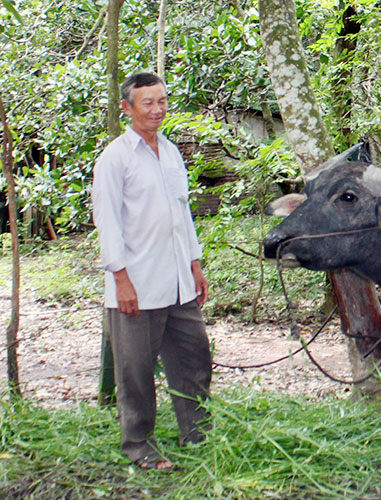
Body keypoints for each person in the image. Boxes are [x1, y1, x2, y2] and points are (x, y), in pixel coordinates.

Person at [92, 72, 212, 471]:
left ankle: (197, 434)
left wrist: (194, 265)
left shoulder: (172, 152)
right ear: (127, 108)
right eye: (148, 102)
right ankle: (138, 444)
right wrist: (120, 280)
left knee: (194, 358)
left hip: (178, 282)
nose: (157, 110)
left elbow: (182, 215)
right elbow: (107, 222)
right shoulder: (115, 158)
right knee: (136, 372)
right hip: (136, 285)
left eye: (162, 101)